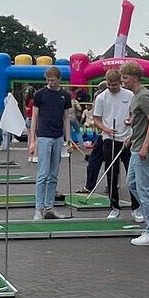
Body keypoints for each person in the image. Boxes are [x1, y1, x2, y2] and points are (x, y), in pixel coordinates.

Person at [120, 62, 149, 246]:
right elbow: (140, 123)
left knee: (144, 189)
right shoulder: (136, 96)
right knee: (131, 183)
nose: (123, 81)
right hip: (136, 145)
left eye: (125, 78)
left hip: (143, 149)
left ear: (135, 78)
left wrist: (145, 146)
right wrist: (132, 137)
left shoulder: (144, 97)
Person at [93, 69, 142, 221]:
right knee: (112, 174)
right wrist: (106, 129)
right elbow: (96, 119)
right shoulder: (102, 97)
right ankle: (114, 206)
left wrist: (130, 120)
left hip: (127, 138)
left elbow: (135, 115)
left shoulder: (129, 95)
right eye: (109, 85)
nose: (111, 87)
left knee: (132, 175)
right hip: (109, 138)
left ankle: (136, 208)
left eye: (114, 84)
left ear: (120, 82)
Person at [28, 66, 71, 220]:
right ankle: (38, 209)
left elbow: (66, 118)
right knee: (43, 174)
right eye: (48, 80)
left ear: (59, 79)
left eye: (53, 80)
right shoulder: (40, 94)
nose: (51, 83)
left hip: (58, 136)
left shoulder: (65, 96)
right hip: (44, 136)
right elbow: (34, 117)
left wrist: (68, 139)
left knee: (53, 174)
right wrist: (32, 140)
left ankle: (49, 207)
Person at [76, 81, 108, 194]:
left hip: (108, 133)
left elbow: (96, 116)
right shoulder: (100, 98)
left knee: (99, 161)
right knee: (99, 161)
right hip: (103, 133)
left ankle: (91, 186)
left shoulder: (102, 98)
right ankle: (106, 185)